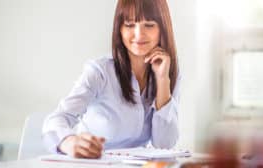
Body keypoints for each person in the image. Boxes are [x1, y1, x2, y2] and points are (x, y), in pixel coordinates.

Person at [42, 0, 181, 159]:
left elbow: (164, 145)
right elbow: (57, 119)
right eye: (129, 25)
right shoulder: (100, 72)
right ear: (119, 29)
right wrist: (68, 141)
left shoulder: (167, 70)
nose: (138, 34)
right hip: (92, 162)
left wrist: (162, 80)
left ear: (162, 28)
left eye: (149, 25)